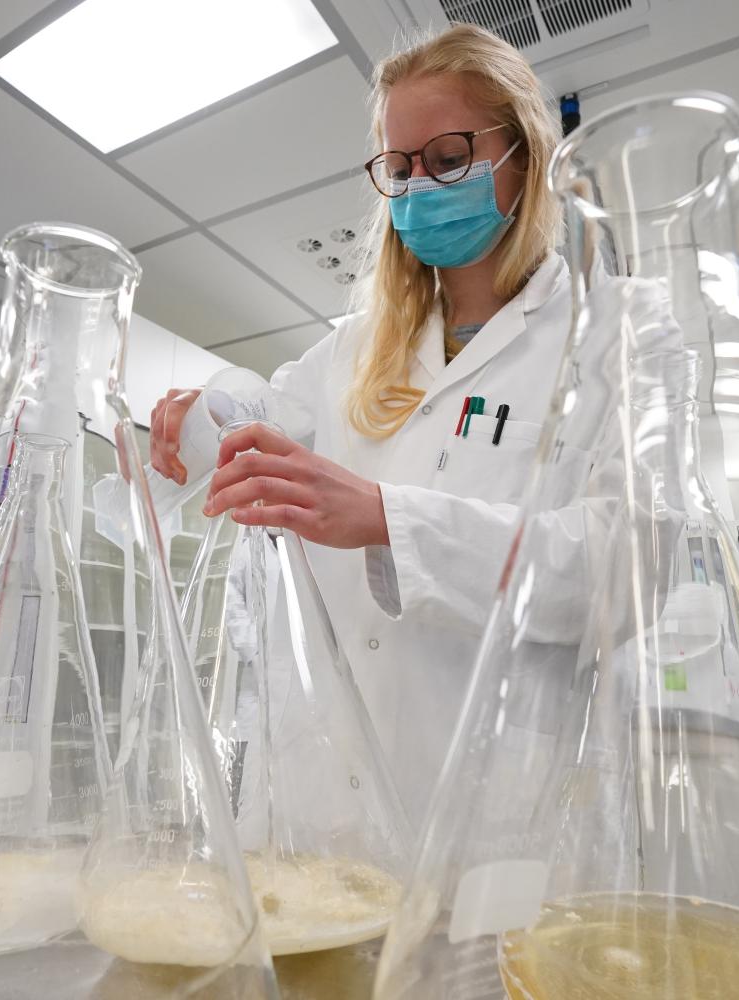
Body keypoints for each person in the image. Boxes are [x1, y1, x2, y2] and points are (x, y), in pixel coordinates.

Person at [149, 24, 602, 825]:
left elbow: (619, 575)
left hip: (477, 799)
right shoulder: (354, 348)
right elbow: (263, 417)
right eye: (400, 168)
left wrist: (391, 519)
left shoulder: (610, 338)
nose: (421, 186)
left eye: (449, 158)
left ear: (524, 157)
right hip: (316, 787)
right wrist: (197, 418)